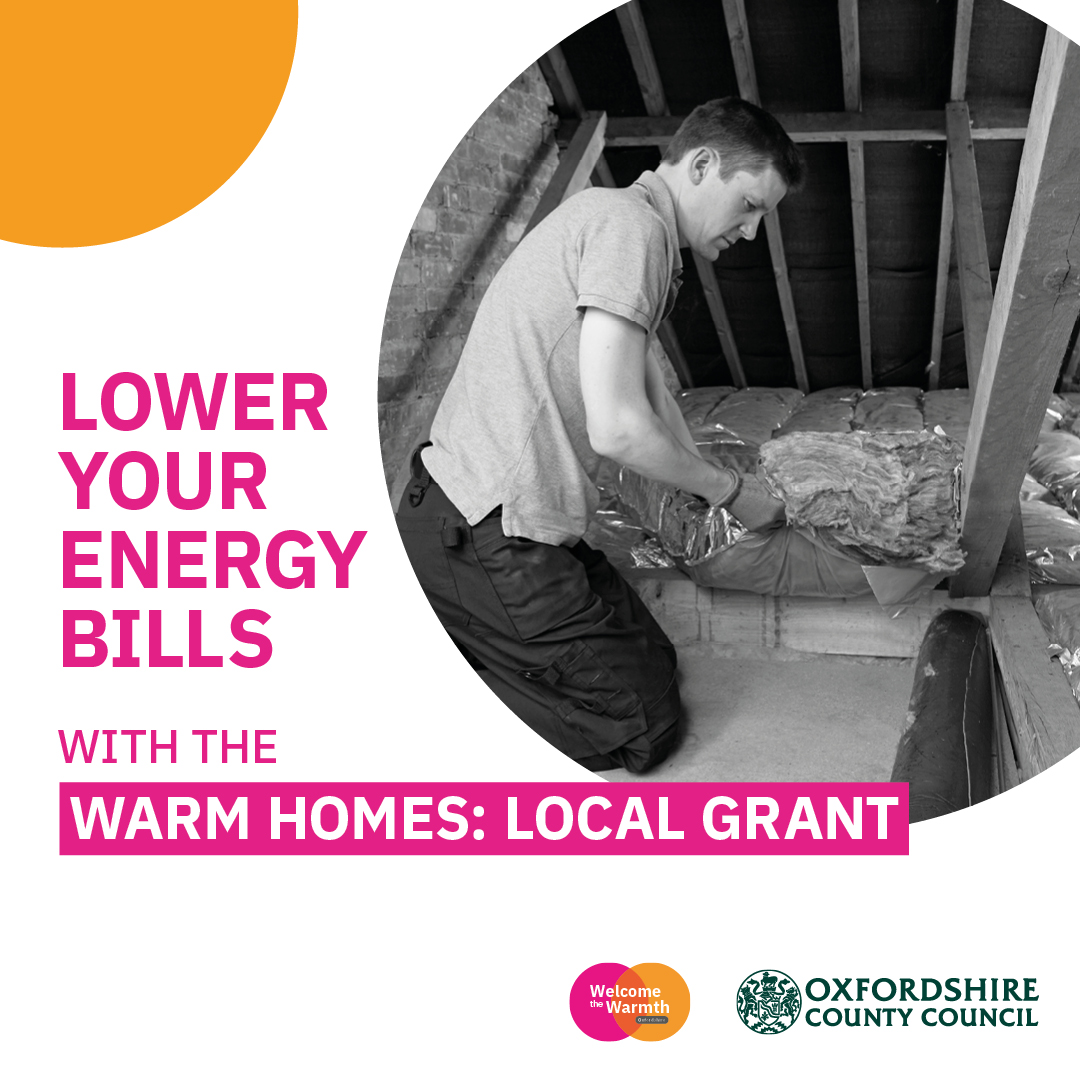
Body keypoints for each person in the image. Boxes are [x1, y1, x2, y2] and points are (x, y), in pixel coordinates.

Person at [396, 97, 806, 773]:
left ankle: (475, 631)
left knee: (658, 661)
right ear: (703, 165)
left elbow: (650, 391)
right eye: (751, 204)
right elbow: (617, 430)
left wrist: (700, 479)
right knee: (643, 727)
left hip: (517, 523)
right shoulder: (631, 231)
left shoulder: (625, 223)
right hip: (482, 529)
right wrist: (730, 492)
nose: (754, 231)